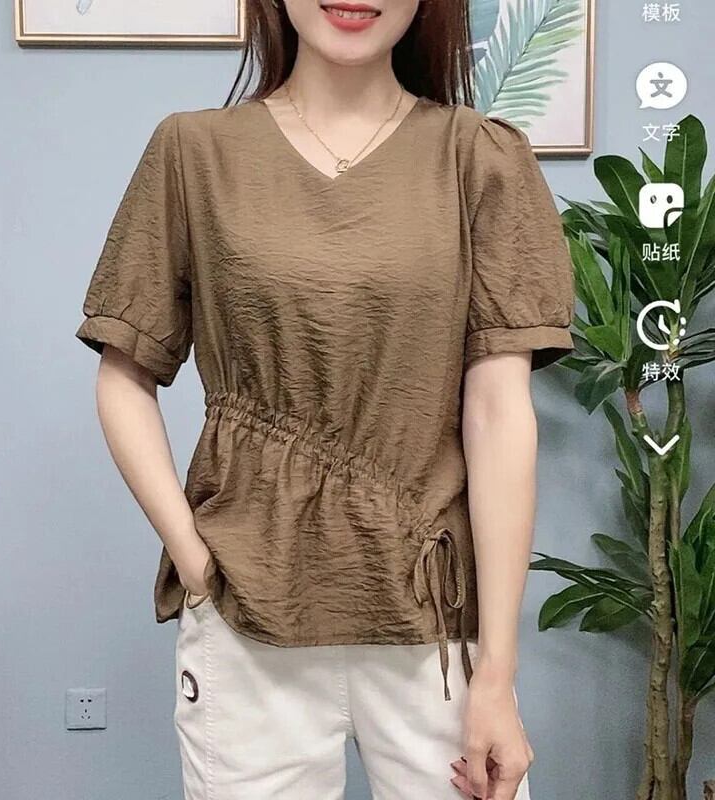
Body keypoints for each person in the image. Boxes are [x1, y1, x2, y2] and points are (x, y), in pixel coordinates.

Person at [74, 1, 576, 798]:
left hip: (433, 631)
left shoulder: (480, 157)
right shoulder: (193, 152)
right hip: (247, 619)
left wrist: (496, 674)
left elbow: (499, 415)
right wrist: (196, 560)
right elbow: (123, 374)